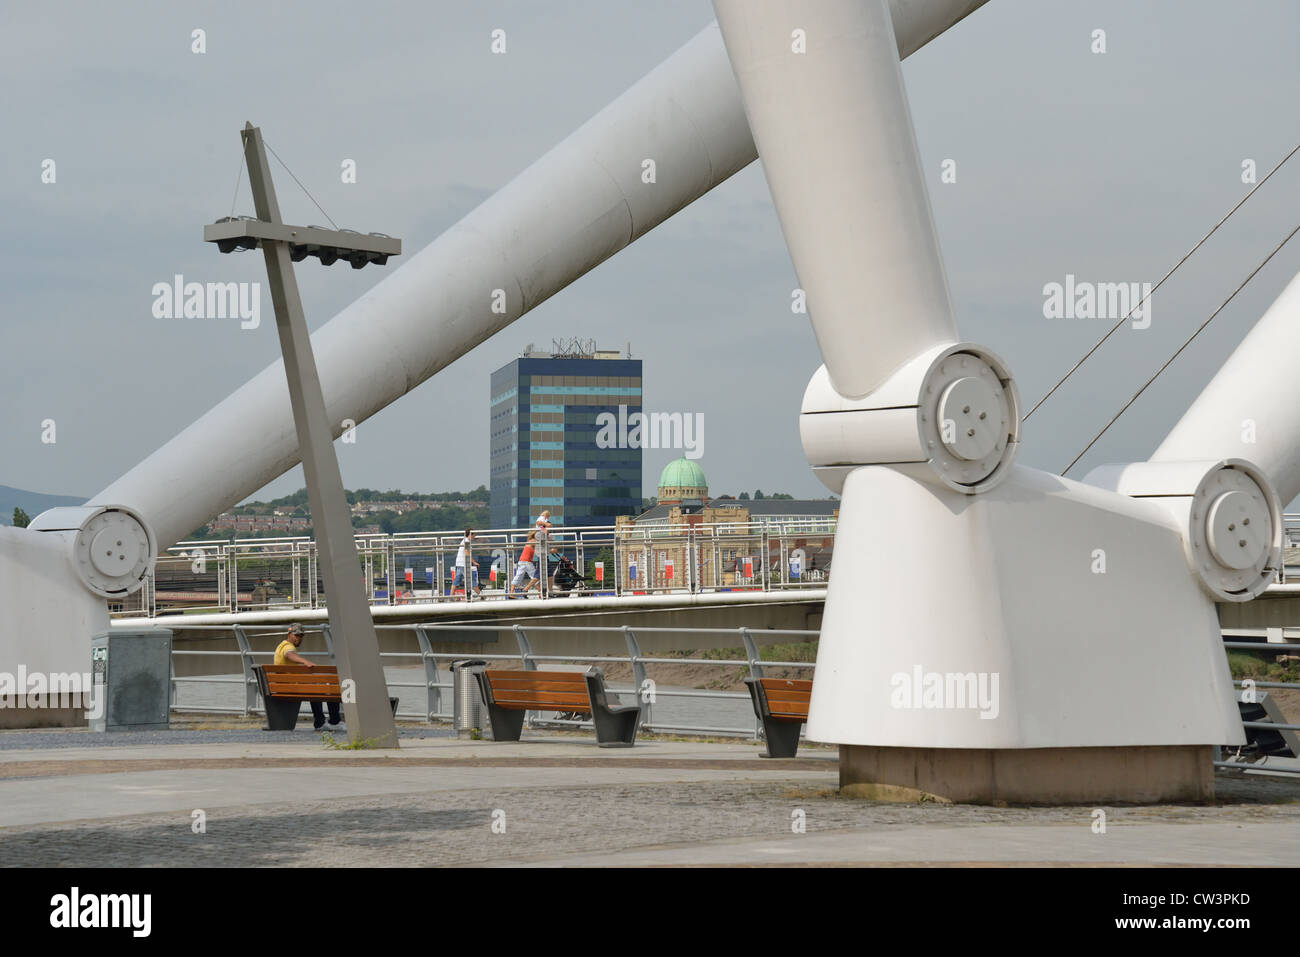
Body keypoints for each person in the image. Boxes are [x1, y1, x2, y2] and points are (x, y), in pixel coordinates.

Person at [274, 622, 342, 731]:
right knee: (331, 687)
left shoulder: (281, 645)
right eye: (296, 635)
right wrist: (305, 662)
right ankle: (334, 722)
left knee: (315, 687)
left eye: (301, 635)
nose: (299, 638)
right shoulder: (287, 646)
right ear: (289, 634)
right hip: (292, 687)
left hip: (284, 685)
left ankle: (320, 722)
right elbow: (289, 654)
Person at [453, 529, 482, 599]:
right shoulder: (466, 541)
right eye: (474, 535)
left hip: (459, 563)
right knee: (471, 580)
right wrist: (474, 562)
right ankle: (482, 596)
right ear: (470, 534)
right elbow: (467, 553)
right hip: (464, 564)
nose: (474, 537)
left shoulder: (464, 541)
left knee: (456, 581)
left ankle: (451, 596)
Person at [510, 531, 541, 597]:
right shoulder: (533, 541)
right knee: (536, 577)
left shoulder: (530, 541)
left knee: (518, 577)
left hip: (522, 561)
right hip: (527, 562)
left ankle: (511, 593)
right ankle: (539, 593)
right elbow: (541, 546)